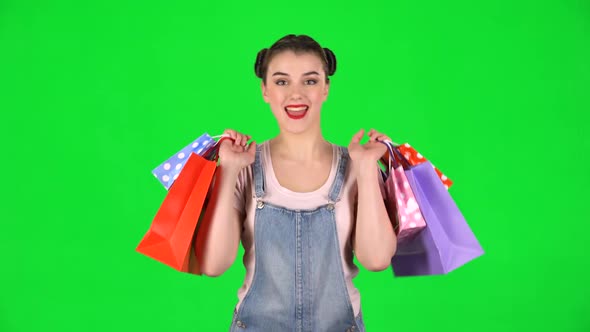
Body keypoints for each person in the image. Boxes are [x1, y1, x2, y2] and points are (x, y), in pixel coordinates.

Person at [195, 34, 397, 332]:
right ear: (264, 90)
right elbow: (213, 265)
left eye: (310, 81)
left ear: (326, 88)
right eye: (281, 81)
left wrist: (367, 169)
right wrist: (228, 172)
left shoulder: (357, 164)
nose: (296, 94)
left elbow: (377, 259)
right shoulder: (245, 167)